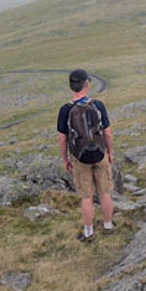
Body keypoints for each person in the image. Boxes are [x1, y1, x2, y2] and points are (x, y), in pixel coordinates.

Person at [57, 69, 115, 242]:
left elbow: (62, 139)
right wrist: (110, 152)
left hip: (79, 158)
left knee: (87, 197)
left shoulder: (66, 110)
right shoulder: (98, 105)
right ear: (87, 84)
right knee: (104, 193)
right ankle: (108, 225)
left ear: (71, 86)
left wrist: (65, 159)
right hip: (99, 154)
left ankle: (89, 233)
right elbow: (108, 133)